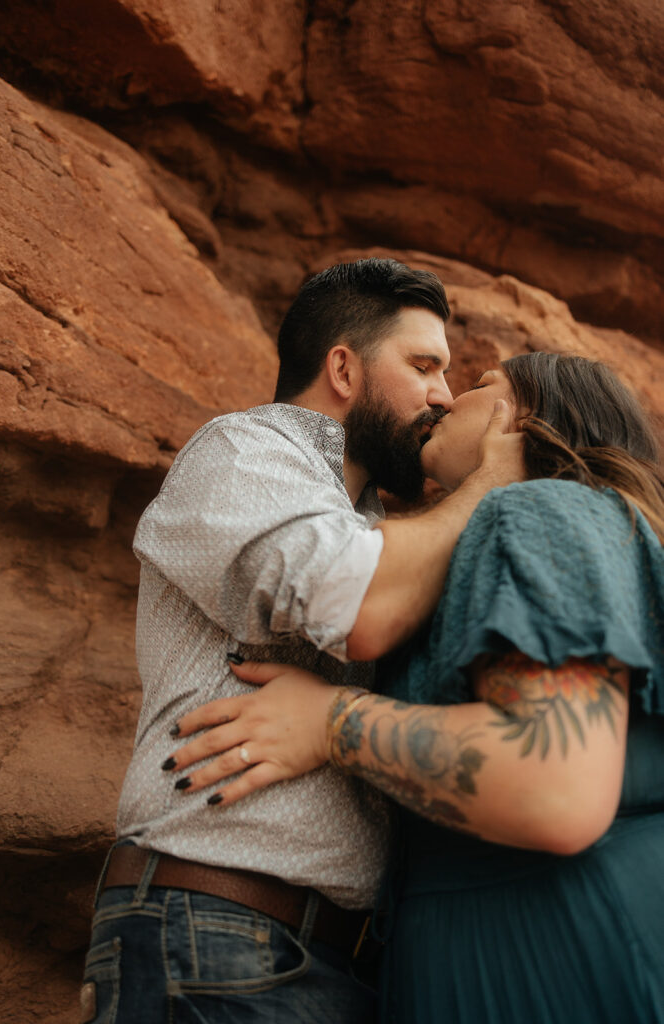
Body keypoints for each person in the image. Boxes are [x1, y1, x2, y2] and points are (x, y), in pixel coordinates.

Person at [81, 258, 523, 1024]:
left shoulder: (386, 526)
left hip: (338, 961)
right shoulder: (243, 450)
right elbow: (354, 607)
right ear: (343, 367)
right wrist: (491, 483)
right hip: (212, 932)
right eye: (423, 366)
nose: (443, 396)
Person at [168, 352, 664, 1023]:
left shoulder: (540, 511)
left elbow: (554, 788)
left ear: (519, 417)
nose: (444, 400)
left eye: (479, 385)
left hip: (556, 964)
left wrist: (330, 721)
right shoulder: (598, 529)